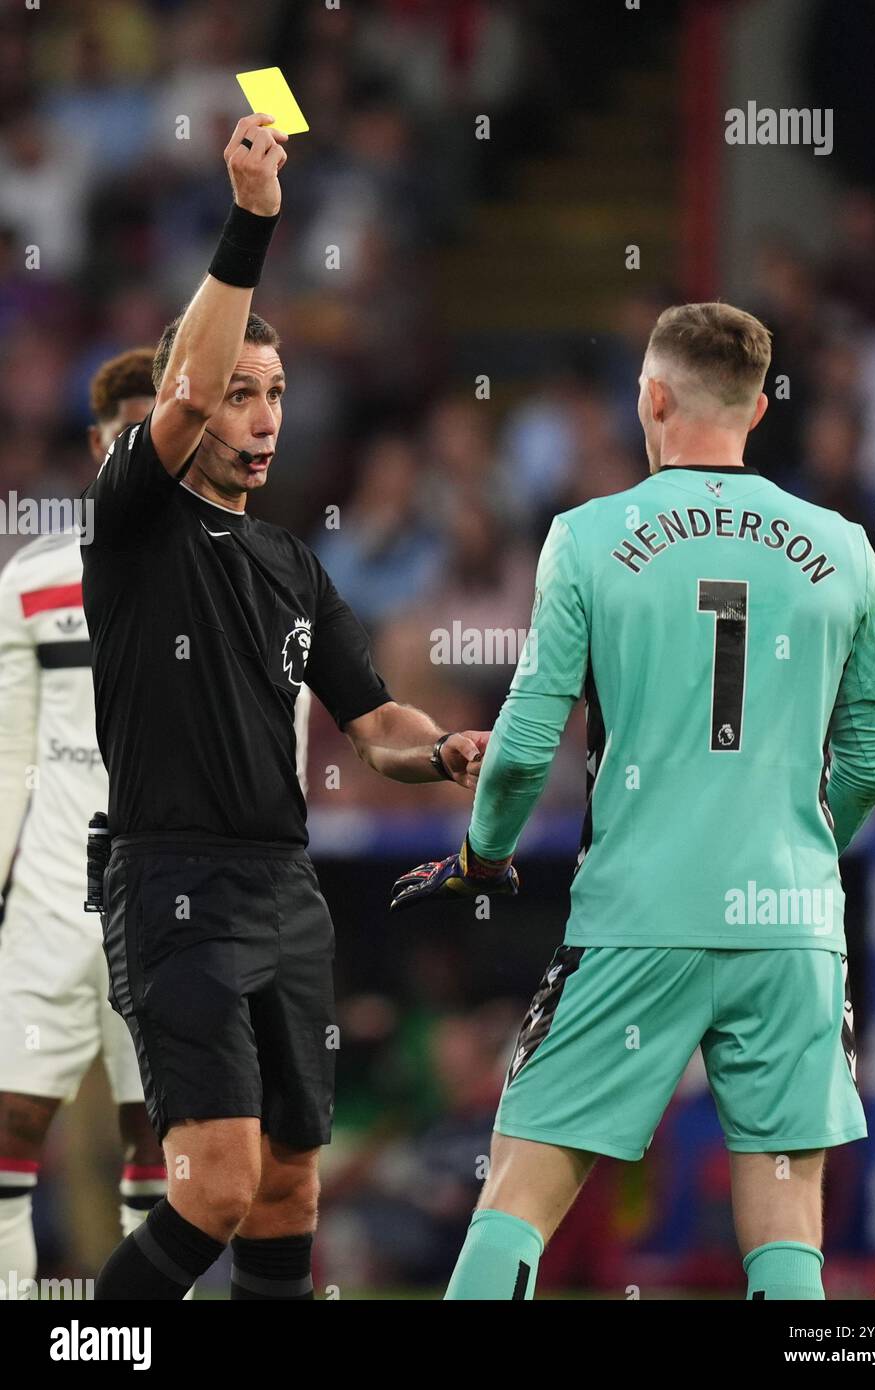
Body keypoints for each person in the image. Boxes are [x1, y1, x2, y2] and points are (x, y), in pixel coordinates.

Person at [391, 301, 875, 1300]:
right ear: (756, 407)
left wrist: (482, 855)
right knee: (788, 1225)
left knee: (519, 1197)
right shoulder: (843, 548)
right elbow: (873, 760)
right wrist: (796, 846)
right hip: (791, 921)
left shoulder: (588, 538)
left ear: (652, 399)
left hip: (637, 915)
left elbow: (528, 745)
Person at [85, 113, 486, 1301]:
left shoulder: (292, 564)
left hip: (285, 890)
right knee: (209, 1185)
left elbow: (375, 726)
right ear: (187, 404)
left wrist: (447, 748)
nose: (260, 415)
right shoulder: (132, 524)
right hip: (175, 883)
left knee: (289, 1188)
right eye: (240, 393)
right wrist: (254, 219)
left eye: (277, 394)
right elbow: (192, 376)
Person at [0, 351, 165, 1297]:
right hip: (54, 904)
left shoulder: (228, 574)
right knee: (15, 1123)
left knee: (158, 1141)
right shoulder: (32, 582)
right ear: (99, 442)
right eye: (125, 435)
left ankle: (135, 1335)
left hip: (164, 902)